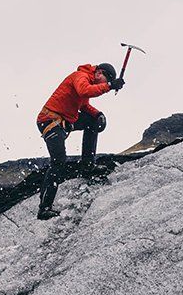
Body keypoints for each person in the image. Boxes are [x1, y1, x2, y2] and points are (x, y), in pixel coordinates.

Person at [35, 63, 124, 219]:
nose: (103, 83)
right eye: (105, 79)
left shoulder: (88, 81)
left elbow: (84, 105)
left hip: (64, 122)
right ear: (99, 73)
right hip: (49, 121)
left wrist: (98, 114)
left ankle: (87, 165)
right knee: (58, 162)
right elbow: (84, 91)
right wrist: (110, 86)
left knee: (92, 121)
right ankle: (44, 208)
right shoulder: (80, 77)